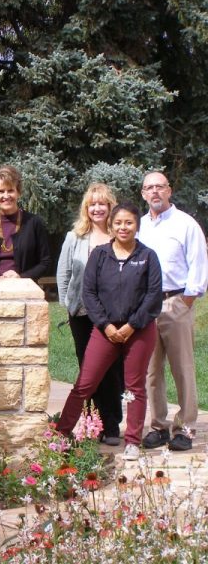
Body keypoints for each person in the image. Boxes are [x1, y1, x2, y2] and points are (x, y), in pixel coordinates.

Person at [56, 202, 162, 461]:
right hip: (105, 330)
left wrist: (130, 326)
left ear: (137, 226)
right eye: (118, 223)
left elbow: (153, 297)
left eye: (129, 223)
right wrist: (106, 325)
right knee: (85, 383)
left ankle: (133, 441)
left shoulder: (147, 256)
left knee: (134, 387)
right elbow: (88, 294)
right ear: (112, 225)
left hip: (138, 331)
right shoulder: (100, 255)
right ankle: (60, 434)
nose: (123, 227)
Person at [138, 172, 208, 451]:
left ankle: (186, 428)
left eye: (160, 186)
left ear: (170, 190)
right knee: (151, 372)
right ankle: (159, 426)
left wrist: (187, 300)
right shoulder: (139, 226)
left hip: (176, 302)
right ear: (143, 194)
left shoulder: (185, 224)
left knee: (182, 368)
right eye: (149, 188)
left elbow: (198, 264)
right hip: (146, 306)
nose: (155, 192)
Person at [57, 183, 124, 445]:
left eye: (102, 203)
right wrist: (68, 305)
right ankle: (89, 423)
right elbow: (64, 274)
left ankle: (111, 425)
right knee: (88, 372)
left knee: (112, 370)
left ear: (110, 207)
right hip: (82, 315)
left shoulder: (118, 235)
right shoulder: (75, 237)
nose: (97, 208)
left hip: (113, 317)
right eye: (92, 204)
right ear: (87, 208)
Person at [0, 165, 51, 279]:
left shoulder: (34, 223)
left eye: (10, 191)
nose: (6, 196)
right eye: (1, 191)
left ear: (18, 193)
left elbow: (45, 262)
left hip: (24, 289)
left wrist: (22, 276)